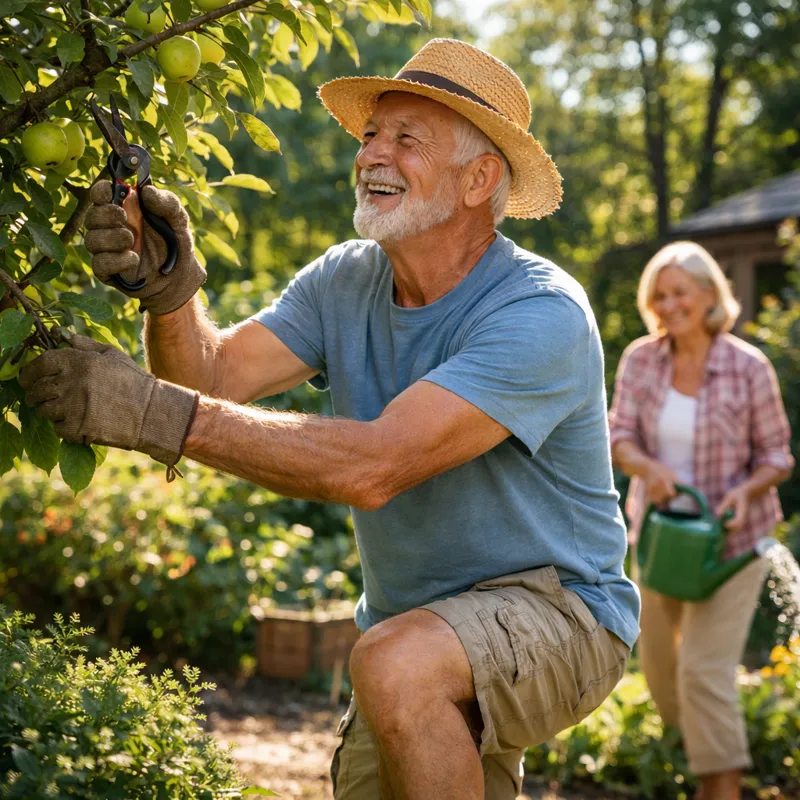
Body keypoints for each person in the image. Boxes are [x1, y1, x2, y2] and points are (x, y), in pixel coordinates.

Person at [21, 39, 639, 799]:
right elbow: (209, 378)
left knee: (395, 665)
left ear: (480, 178)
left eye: (406, 139)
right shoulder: (346, 278)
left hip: (564, 612)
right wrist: (168, 287)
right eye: (371, 134)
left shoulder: (540, 312)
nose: (372, 154)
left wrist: (150, 413)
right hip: (416, 626)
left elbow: (375, 465)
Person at [608, 241, 794, 800]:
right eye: (659, 296)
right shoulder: (641, 359)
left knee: (703, 676)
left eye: (680, 293)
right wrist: (648, 467)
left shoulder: (747, 367)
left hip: (732, 548)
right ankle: (708, 762)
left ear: (709, 294)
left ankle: (723, 788)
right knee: (665, 681)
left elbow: (778, 456)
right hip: (663, 543)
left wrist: (745, 489)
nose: (668, 305)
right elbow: (618, 436)